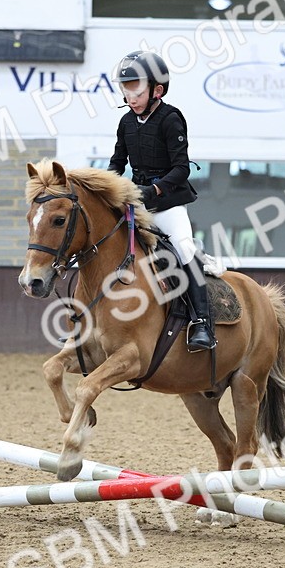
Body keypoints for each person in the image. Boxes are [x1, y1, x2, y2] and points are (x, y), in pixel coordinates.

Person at [109, 50, 215, 352]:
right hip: (138, 201)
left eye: (137, 91)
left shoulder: (170, 119)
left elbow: (181, 169)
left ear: (157, 90)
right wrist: (104, 186)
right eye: (125, 90)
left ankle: (202, 324)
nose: (130, 97)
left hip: (166, 202)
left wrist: (154, 190)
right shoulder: (126, 122)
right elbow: (117, 162)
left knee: (184, 248)